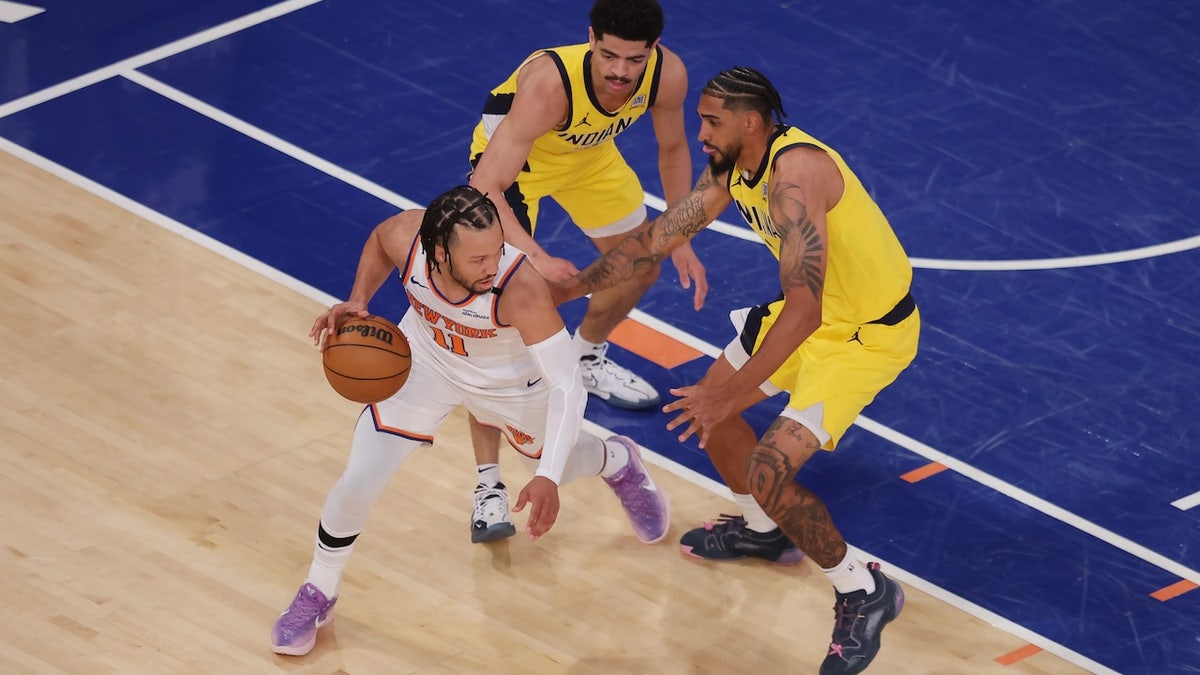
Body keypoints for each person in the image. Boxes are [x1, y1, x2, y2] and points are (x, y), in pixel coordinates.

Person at [552, 67, 919, 674]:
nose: (699, 133)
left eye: (711, 121)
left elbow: (804, 310)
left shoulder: (794, 177)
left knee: (766, 466)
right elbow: (658, 237)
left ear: (752, 122)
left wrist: (735, 395)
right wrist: (570, 291)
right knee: (706, 410)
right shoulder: (733, 166)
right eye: (700, 119)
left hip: (865, 336)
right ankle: (763, 530)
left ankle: (863, 590)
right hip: (817, 317)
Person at [270, 185, 671, 657]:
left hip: (510, 388)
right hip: (426, 365)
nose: (492, 265)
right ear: (438, 251)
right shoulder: (408, 237)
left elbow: (568, 386)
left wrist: (545, 478)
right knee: (359, 480)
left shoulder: (518, 287)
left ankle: (616, 460)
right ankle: (319, 589)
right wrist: (358, 299)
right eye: (478, 258)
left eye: (497, 251)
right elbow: (380, 238)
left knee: (562, 464)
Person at [463, 0, 707, 543]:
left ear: (653, 52)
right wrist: (536, 257)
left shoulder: (668, 75)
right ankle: (488, 484)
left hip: (588, 161)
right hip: (511, 174)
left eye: (634, 60)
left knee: (640, 263)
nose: (621, 71)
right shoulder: (550, 85)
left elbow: (672, 150)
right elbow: (486, 185)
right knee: (496, 320)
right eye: (609, 55)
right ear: (590, 37)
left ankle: (586, 354)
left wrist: (680, 230)